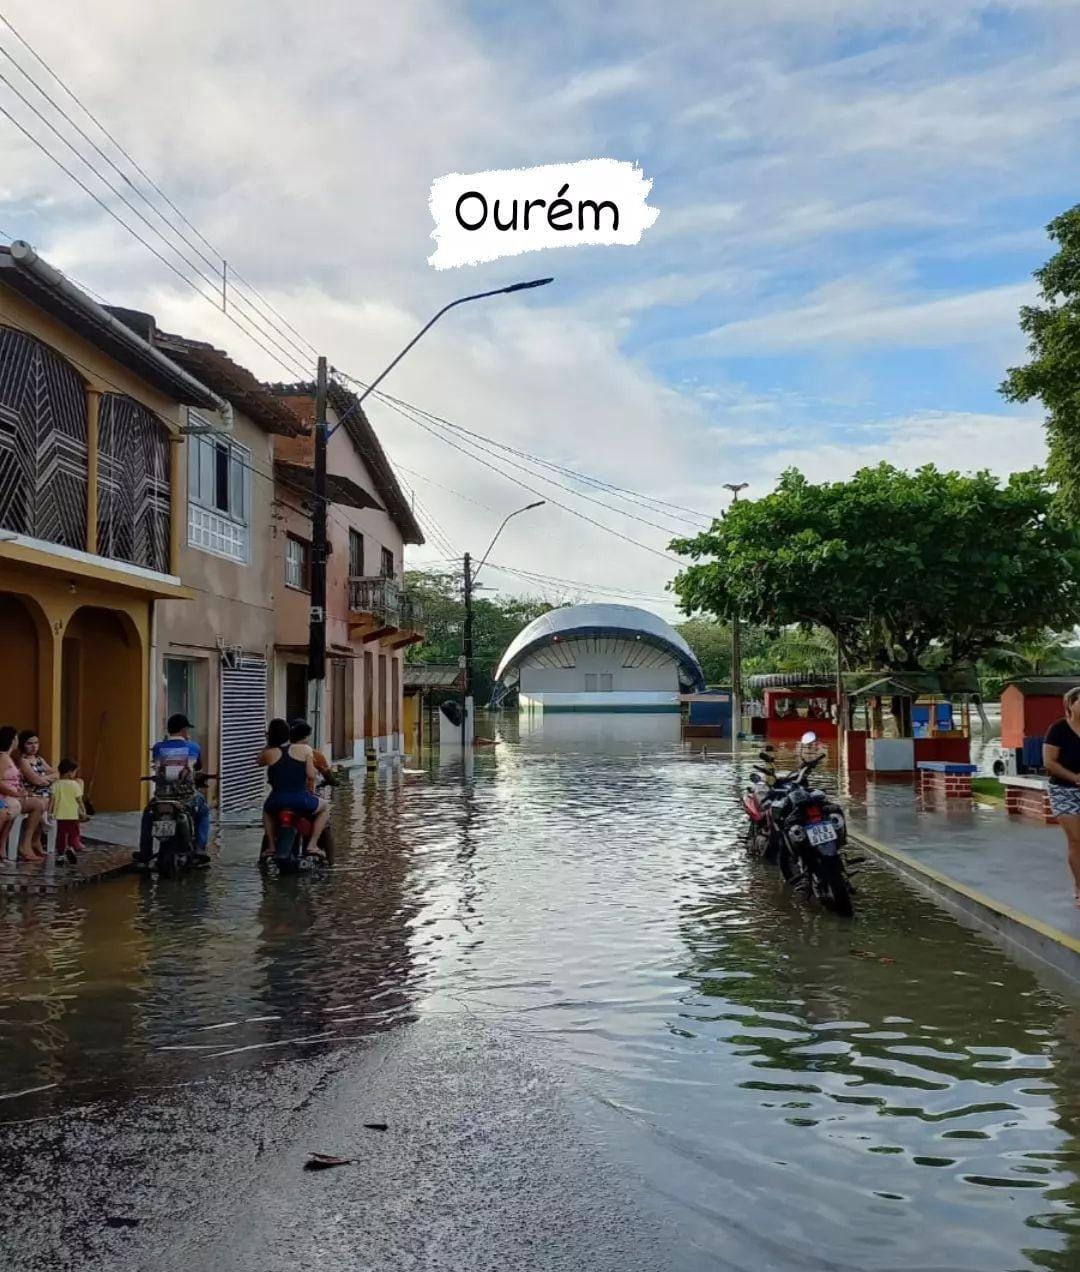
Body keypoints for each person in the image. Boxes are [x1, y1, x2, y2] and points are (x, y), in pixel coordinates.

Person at [136, 713, 211, 865]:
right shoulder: (193, 746)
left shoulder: (158, 747)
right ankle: (199, 848)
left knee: (147, 816)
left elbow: (157, 766)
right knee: (204, 812)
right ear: (183, 730)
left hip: (161, 799)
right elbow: (199, 766)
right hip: (186, 798)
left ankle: (145, 852)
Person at [257, 718, 329, 859]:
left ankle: (271, 846)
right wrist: (314, 771)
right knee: (325, 808)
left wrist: (268, 744)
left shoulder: (270, 753)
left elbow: (258, 761)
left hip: (276, 800)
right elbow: (310, 774)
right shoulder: (305, 749)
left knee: (266, 811)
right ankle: (312, 845)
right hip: (300, 799)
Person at [1041, 686, 1080, 907]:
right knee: (1076, 840)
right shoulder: (1058, 729)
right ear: (1070, 704)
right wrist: (1074, 778)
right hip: (1064, 790)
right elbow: (1049, 763)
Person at [0, 724, 42, 861]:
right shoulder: (2, 758)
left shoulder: (8, 756)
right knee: (34, 805)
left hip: (13, 795)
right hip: (6, 796)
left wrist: (21, 791)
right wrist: (15, 793)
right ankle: (18, 846)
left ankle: (26, 843)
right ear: (13, 740)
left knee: (38, 804)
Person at [17, 730, 58, 854]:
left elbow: (56, 773)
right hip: (31, 794)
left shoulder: (39, 759)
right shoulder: (23, 761)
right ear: (23, 744)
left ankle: (37, 838)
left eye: (36, 743)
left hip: (45, 794)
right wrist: (45, 779)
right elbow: (35, 780)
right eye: (30, 743)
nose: (34, 746)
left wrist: (44, 779)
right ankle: (34, 839)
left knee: (51, 799)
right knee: (44, 803)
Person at [50, 759, 85, 865]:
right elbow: (79, 800)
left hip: (60, 815)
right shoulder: (75, 785)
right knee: (72, 833)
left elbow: (52, 800)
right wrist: (83, 810)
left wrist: (50, 812)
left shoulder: (56, 784)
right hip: (72, 814)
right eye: (74, 772)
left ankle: (60, 855)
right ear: (70, 772)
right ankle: (70, 847)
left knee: (61, 834)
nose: (74, 775)